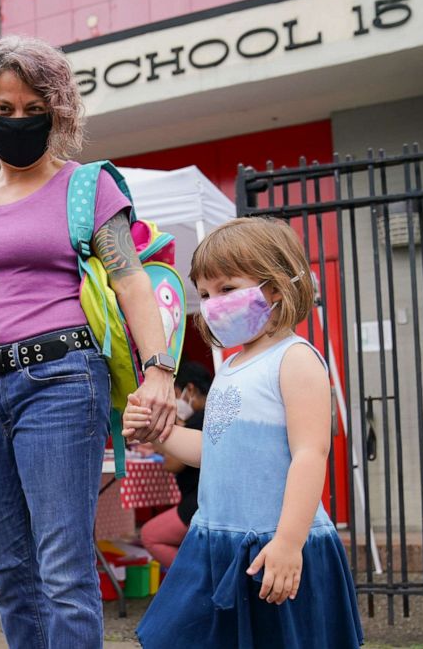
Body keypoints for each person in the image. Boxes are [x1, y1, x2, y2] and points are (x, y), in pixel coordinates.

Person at [0, 35, 177, 648]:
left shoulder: (86, 187)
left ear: (58, 111)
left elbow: (132, 280)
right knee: (7, 570)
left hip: (60, 380)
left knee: (62, 570)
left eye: (32, 108)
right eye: (2, 110)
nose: (16, 121)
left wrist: (159, 370)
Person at [124, 217, 363, 648]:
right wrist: (155, 431)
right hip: (214, 543)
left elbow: (311, 453)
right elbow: (212, 448)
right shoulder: (230, 367)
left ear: (274, 287)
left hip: (274, 550)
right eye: (205, 294)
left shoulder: (296, 359)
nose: (213, 304)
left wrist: (289, 543)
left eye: (227, 289)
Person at [139, 360, 211, 568]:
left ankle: (194, 582)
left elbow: (173, 464)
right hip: (210, 503)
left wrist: (176, 425)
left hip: (198, 505)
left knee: (151, 535)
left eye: (174, 393)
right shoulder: (215, 416)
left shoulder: (197, 421)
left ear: (190, 389)